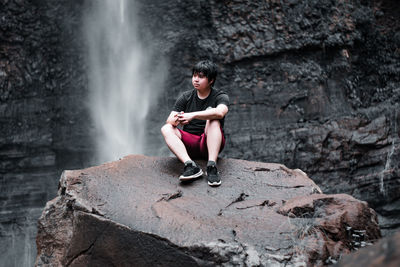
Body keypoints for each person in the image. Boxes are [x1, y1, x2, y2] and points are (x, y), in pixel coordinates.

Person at [161, 60, 229, 186]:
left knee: (213, 119)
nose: (196, 80)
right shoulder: (186, 97)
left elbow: (220, 112)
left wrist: (193, 115)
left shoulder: (220, 96)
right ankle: (190, 165)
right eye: (194, 76)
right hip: (190, 144)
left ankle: (211, 166)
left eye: (201, 77)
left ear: (211, 80)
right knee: (166, 128)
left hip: (209, 143)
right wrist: (180, 118)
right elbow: (170, 119)